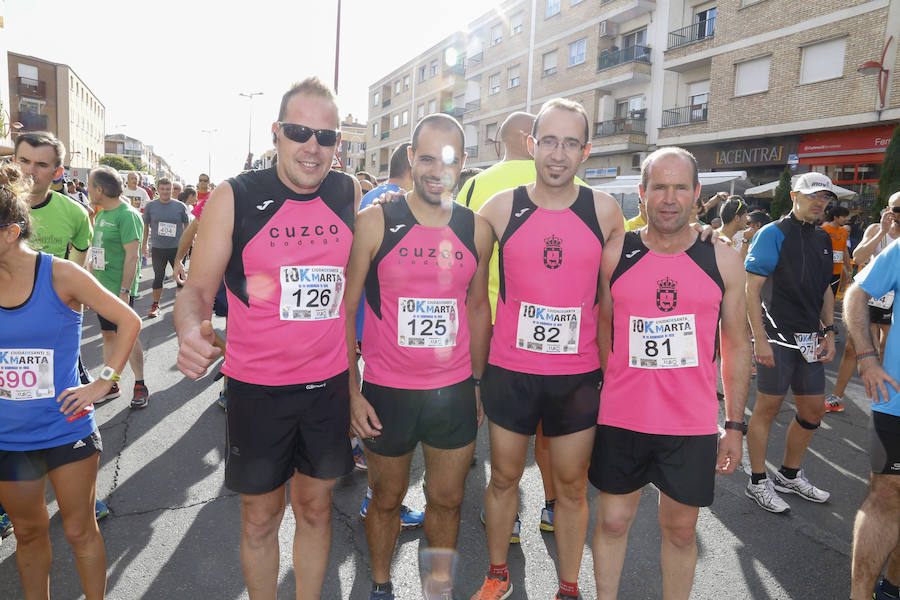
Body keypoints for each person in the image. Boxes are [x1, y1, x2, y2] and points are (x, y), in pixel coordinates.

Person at [175, 76, 360, 599]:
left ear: (337, 145)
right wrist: (192, 329)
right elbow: (197, 291)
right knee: (261, 516)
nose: (313, 146)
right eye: (300, 131)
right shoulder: (237, 196)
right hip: (258, 388)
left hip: (325, 387)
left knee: (317, 508)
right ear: (277, 133)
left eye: (326, 137)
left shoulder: (349, 191)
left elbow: (352, 292)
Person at [471, 98, 624, 600]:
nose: (559, 154)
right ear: (532, 145)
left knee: (573, 488)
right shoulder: (498, 209)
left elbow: (617, 297)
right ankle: (497, 574)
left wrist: (704, 234)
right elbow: (471, 296)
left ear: (586, 151)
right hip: (510, 371)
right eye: (550, 141)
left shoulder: (603, 211)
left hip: (577, 377)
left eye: (571, 143)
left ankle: (569, 586)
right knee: (504, 480)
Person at [589, 147, 749, 599]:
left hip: (690, 423)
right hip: (623, 417)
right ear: (642, 193)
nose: (669, 197)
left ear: (698, 194)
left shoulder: (721, 258)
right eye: (659, 186)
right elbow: (604, 329)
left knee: (680, 531)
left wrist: (734, 425)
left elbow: (736, 345)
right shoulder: (616, 252)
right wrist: (616, 385)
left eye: (680, 187)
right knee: (613, 521)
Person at [346, 114, 493, 600]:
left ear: (463, 164)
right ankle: (382, 586)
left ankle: (437, 589)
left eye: (447, 159)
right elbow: (345, 313)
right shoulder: (376, 221)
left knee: (447, 500)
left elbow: (476, 308)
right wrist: (351, 391)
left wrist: (476, 385)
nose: (436, 169)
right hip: (387, 391)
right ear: (411, 159)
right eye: (425, 157)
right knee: (386, 500)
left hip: (451, 392)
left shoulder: (477, 229)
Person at [0, 161, 141, 600]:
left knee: (81, 530)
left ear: (9, 233)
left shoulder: (58, 273)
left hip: (66, 428)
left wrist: (102, 382)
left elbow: (128, 320)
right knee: (27, 532)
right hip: (8, 436)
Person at [455, 111, 563, 537]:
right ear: (531, 140)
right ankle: (553, 506)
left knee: (506, 428)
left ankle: (509, 511)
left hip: (495, 323)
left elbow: (457, 249)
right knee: (551, 427)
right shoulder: (580, 185)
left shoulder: (477, 184)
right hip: (560, 328)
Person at [14, 132, 110, 518]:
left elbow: (80, 265)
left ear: (57, 171)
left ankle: (82, 494)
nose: (30, 171)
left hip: (52, 333)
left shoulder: (74, 214)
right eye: (23, 161)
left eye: (41, 164)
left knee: (71, 406)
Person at [744, 172, 837, 513]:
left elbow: (827, 288)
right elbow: (751, 290)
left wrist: (830, 331)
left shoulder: (823, 238)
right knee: (767, 410)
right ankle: (756, 481)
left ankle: (788, 474)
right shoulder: (772, 233)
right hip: (777, 339)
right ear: (795, 195)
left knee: (813, 410)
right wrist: (760, 340)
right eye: (814, 196)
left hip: (810, 339)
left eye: (825, 198)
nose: (820, 202)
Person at [350, 143, 425, 531]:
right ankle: (374, 498)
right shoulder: (391, 206)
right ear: (411, 166)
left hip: (366, 320)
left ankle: (360, 454)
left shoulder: (371, 199)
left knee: (366, 400)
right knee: (378, 410)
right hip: (383, 325)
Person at [844, 235, 900, 600]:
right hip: (896, 399)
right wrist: (865, 356)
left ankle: (893, 587)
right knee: (887, 494)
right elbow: (856, 293)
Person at [826, 196, 900, 413]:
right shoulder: (876, 228)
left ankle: (884, 399)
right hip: (869, 295)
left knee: (887, 348)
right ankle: (836, 396)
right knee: (853, 348)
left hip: (892, 299)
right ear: (888, 209)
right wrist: (881, 232)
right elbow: (858, 257)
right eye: (896, 208)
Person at [88, 166, 150, 410]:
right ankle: (111, 384)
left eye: (91, 186)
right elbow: (97, 252)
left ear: (100, 189)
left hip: (119, 290)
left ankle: (140, 384)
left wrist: (124, 292)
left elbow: (132, 257)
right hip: (101, 289)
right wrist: (90, 283)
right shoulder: (102, 213)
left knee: (129, 336)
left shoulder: (127, 215)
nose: (89, 190)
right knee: (108, 335)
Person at [141, 177, 190, 318]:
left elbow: (187, 226)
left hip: (177, 248)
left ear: (172, 190)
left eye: (168, 189)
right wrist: (145, 245)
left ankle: (182, 306)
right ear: (158, 190)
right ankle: (155, 305)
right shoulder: (151, 206)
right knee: (158, 277)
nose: (165, 192)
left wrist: (187, 243)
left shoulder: (180, 206)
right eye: (162, 189)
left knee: (180, 277)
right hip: (158, 247)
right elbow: (146, 226)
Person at [822, 205, 852, 297]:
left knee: (831, 297)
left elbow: (845, 251)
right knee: (819, 298)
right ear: (835, 217)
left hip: (837, 272)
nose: (846, 219)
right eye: (844, 216)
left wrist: (849, 271)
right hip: (822, 271)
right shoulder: (823, 230)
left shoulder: (843, 232)